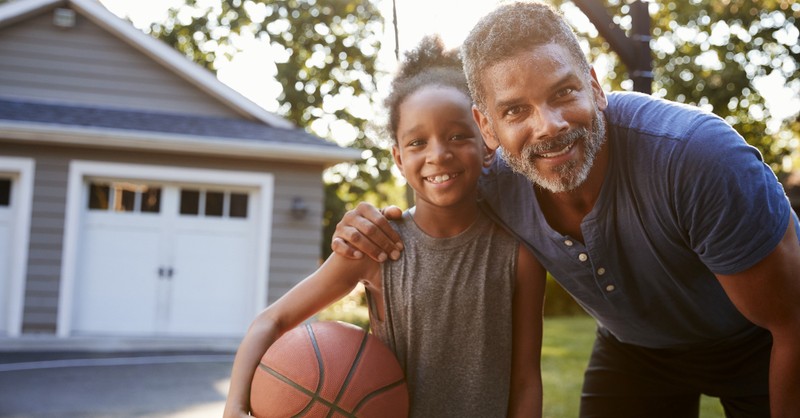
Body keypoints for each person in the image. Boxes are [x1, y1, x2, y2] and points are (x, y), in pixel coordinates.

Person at [331, 2, 800, 417]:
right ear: (486, 127)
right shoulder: (488, 182)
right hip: (637, 350)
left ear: (595, 87)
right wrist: (366, 225)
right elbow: (427, 207)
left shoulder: (697, 159)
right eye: (515, 111)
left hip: (759, 341)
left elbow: (792, 323)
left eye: (563, 93)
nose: (548, 126)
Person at [223, 35, 546, 418]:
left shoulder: (519, 253)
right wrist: (235, 408)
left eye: (458, 136)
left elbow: (526, 379)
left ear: (487, 140)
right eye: (417, 143)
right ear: (397, 157)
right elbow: (270, 321)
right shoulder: (378, 246)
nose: (438, 154)